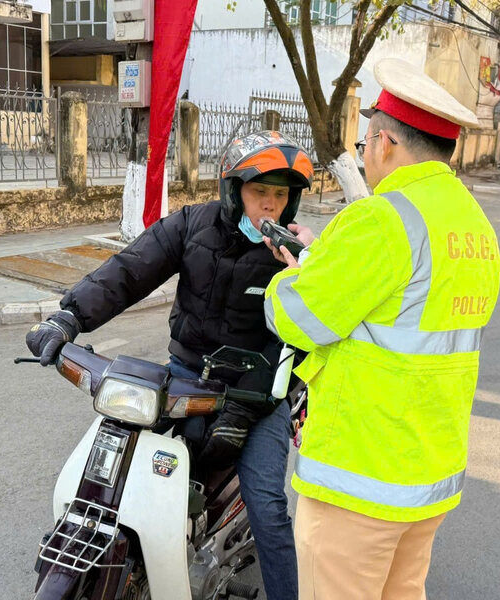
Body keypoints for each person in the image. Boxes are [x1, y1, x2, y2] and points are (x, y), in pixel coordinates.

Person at [26, 130, 315, 600]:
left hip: (259, 392)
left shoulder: (297, 257)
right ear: (231, 189)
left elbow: (308, 334)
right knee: (123, 465)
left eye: (281, 195)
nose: (270, 206)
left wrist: (306, 267)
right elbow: (130, 269)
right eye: (260, 191)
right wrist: (69, 316)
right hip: (185, 375)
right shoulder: (190, 226)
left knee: (267, 504)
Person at [263, 58, 500, 600]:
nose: (364, 155)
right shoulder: (472, 223)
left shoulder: (382, 218)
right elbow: (403, 304)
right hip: (426, 475)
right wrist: (323, 259)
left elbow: (299, 319)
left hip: (360, 479)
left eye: (366, 141)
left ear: (385, 141)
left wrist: (289, 280)